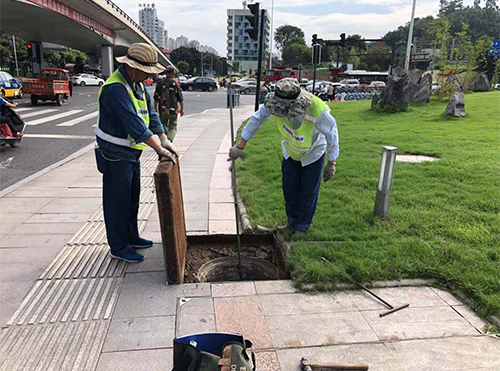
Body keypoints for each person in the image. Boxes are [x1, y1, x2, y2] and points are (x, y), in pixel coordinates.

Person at [94, 43, 177, 263]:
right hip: (114, 153)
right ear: (132, 67)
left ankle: (131, 236)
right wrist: (158, 149)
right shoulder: (115, 89)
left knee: (132, 199)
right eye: (146, 71)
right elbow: (134, 125)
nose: (149, 76)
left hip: (131, 153)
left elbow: (150, 114)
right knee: (117, 201)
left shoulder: (137, 85)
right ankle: (119, 247)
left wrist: (164, 138)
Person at [227, 78, 339, 236]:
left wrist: (331, 162)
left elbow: (332, 134)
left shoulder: (318, 109)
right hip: (291, 151)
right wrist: (240, 146)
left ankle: (302, 227)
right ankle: (291, 222)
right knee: (290, 188)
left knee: (308, 191)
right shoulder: (274, 103)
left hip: (313, 152)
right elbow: (256, 120)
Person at [153, 66, 184, 142]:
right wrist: (182, 109)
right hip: (173, 109)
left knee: (163, 124)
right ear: (173, 73)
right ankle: (170, 140)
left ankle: (166, 139)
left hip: (162, 109)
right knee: (173, 126)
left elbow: (156, 98)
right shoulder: (175, 84)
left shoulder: (160, 83)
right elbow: (180, 98)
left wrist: (155, 108)